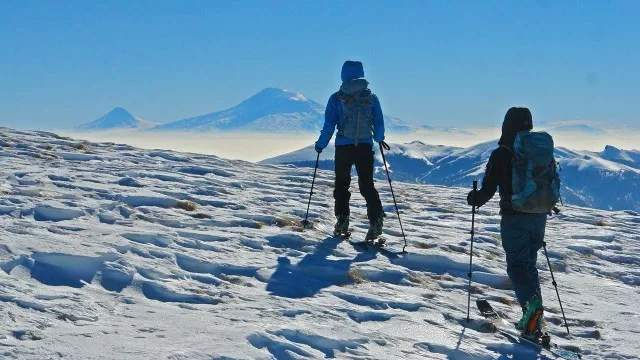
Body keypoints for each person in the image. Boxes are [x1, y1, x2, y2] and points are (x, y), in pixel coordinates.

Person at [467, 107, 547, 336]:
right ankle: (534, 316)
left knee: (517, 266)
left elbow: (487, 191)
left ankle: (531, 315)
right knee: (529, 265)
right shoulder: (538, 151)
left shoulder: (502, 153)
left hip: (514, 218)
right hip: (539, 217)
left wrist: (474, 199)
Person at [314, 60, 385, 240]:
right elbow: (379, 124)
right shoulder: (371, 98)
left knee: (342, 185)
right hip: (364, 146)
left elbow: (329, 125)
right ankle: (376, 221)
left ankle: (342, 221)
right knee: (367, 185)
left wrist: (321, 144)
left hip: (343, 147)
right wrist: (379, 138)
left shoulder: (337, 98)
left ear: (343, 75)